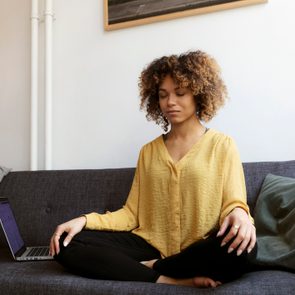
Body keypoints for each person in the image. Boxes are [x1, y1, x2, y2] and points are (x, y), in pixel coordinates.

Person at [50, 50, 256, 288]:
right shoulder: (148, 152)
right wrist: (84, 221)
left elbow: (234, 203)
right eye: (163, 95)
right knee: (66, 244)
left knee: (243, 250)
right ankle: (167, 279)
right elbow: (131, 214)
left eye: (180, 93)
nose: (170, 102)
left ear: (198, 94)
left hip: (201, 246)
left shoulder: (222, 145)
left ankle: (152, 267)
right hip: (151, 244)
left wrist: (240, 213)